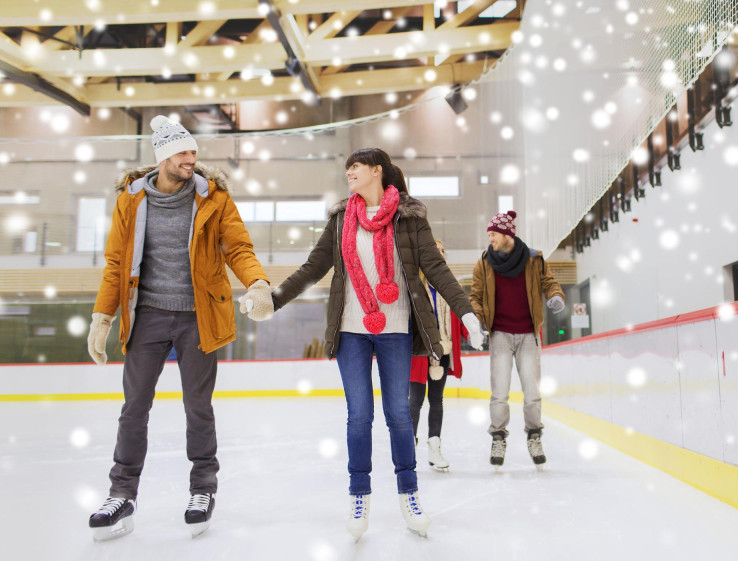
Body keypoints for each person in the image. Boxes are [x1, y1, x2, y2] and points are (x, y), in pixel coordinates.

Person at [271, 148, 483, 542]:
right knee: (359, 415)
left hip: (396, 327)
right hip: (351, 329)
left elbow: (435, 268)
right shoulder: (340, 221)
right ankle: (359, 495)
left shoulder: (409, 218)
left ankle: (409, 493)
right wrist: (273, 298)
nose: (349, 172)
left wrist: (466, 312)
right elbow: (312, 268)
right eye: (347, 166)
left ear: (376, 171)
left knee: (399, 415)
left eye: (356, 166)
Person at [85, 115, 273, 541]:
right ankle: (121, 494)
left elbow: (237, 246)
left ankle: (202, 489)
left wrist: (258, 283)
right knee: (133, 409)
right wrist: (103, 317)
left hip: (198, 317)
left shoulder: (213, 198)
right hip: (146, 315)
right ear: (163, 157)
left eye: (194, 152)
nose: (192, 159)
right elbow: (116, 264)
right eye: (184, 153)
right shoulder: (130, 200)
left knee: (198, 407)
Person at [469, 210, 565, 469]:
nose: (490, 239)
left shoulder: (534, 259)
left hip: (528, 335)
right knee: (499, 392)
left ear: (507, 234)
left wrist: (555, 295)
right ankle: (498, 437)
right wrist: (477, 318)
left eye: (493, 234)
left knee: (532, 393)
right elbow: (476, 296)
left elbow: (549, 282)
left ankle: (535, 436)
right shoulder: (484, 262)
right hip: (499, 334)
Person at [408, 240, 470, 471]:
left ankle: (434, 448)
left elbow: (461, 312)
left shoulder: (449, 285)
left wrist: (471, 332)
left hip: (443, 351)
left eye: (444, 250)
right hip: (418, 351)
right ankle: (408, 448)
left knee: (436, 400)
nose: (441, 254)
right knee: (415, 401)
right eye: (437, 250)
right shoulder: (414, 285)